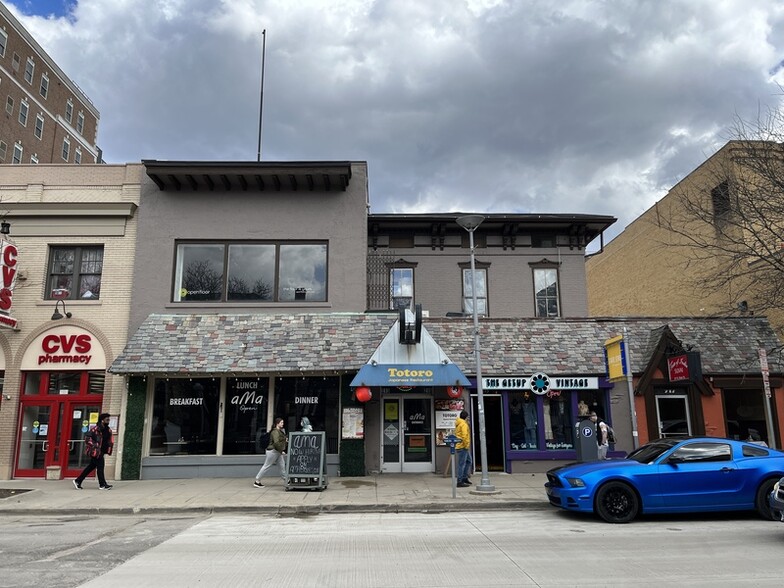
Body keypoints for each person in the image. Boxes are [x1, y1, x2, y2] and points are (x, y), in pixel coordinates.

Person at [73, 413, 114, 490]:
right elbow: (87, 439)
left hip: (102, 451)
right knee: (100, 467)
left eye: (109, 419)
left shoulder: (108, 430)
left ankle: (78, 480)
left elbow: (108, 440)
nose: (109, 421)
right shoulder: (95, 429)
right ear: (102, 420)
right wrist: (96, 446)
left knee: (91, 467)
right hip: (96, 452)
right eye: (107, 419)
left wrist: (109, 448)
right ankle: (102, 485)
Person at [253, 417, 287, 488]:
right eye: (281, 422)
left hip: (277, 452)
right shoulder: (275, 432)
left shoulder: (279, 431)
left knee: (282, 466)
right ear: (277, 423)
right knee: (267, 466)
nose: (283, 424)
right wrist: (281, 450)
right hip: (273, 451)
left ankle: (286, 480)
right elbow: (276, 443)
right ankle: (257, 481)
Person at [454, 410, 472, 488]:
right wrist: (466, 445)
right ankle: (460, 481)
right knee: (462, 464)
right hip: (463, 447)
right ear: (465, 417)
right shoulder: (463, 424)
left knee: (469, 461)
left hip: (461, 446)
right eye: (467, 417)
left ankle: (464, 478)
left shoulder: (459, 423)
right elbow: (464, 436)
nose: (468, 418)